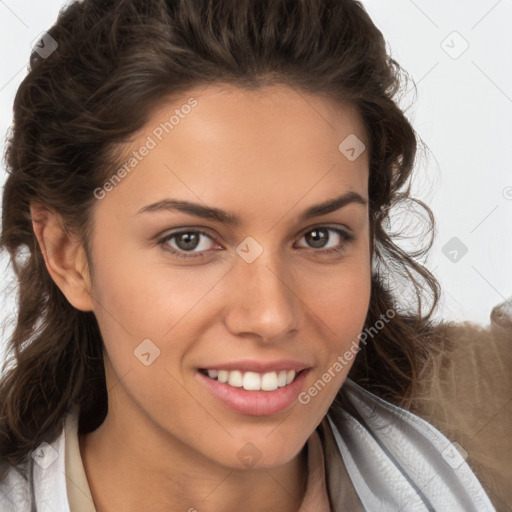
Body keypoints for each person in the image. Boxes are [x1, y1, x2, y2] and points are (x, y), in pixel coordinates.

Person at [0, 0, 507, 510]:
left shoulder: (490, 451)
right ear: (68, 256)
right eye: (190, 240)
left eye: (320, 236)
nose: (271, 316)